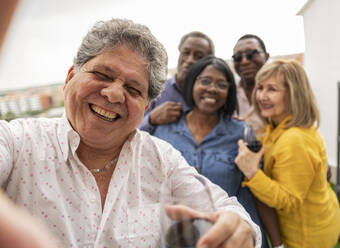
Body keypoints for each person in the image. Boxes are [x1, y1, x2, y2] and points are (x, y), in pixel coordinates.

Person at [0, 18, 262, 247]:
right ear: (70, 77)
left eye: (134, 90)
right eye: (102, 74)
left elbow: (228, 211)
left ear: (145, 107)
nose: (114, 94)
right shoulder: (18, 142)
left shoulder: (162, 160)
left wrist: (238, 229)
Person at [153, 55, 269, 248]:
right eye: (205, 81)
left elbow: (256, 190)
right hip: (177, 238)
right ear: (191, 84)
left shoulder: (242, 133)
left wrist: (274, 242)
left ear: (229, 92)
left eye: (221, 84)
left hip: (228, 237)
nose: (212, 88)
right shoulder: (164, 130)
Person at [235, 59, 340, 248]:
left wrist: (252, 173)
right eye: (260, 88)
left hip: (307, 238)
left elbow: (288, 200)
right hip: (322, 215)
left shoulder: (294, 139)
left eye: (272, 89)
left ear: (293, 94)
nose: (261, 96)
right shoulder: (280, 128)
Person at [139, 31, 214, 134]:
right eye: (186, 53)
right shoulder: (156, 89)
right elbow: (129, 133)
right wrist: (151, 119)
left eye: (198, 56)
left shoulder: (213, 96)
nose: (190, 60)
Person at [232, 34, 269, 134]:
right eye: (238, 57)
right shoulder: (228, 91)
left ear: (266, 56)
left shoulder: (283, 91)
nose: (244, 61)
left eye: (251, 54)